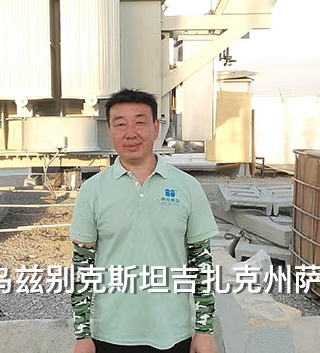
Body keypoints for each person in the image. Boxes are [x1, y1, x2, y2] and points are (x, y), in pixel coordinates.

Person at [69, 88, 219, 353]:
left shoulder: (187, 187)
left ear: (155, 128)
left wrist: (204, 330)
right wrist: (82, 335)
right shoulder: (92, 191)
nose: (131, 133)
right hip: (109, 334)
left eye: (139, 122)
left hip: (173, 334)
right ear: (109, 131)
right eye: (120, 124)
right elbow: (83, 266)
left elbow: (201, 262)